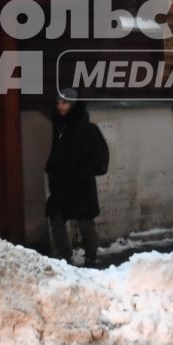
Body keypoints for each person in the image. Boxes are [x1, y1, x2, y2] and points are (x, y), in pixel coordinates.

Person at [45, 88, 109, 267]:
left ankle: (91, 258)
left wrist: (81, 171)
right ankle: (65, 258)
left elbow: (99, 159)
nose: (60, 106)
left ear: (73, 105)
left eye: (64, 103)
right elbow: (57, 153)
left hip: (80, 185)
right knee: (56, 218)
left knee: (85, 221)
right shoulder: (59, 126)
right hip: (61, 184)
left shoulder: (87, 129)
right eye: (58, 102)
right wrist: (52, 168)